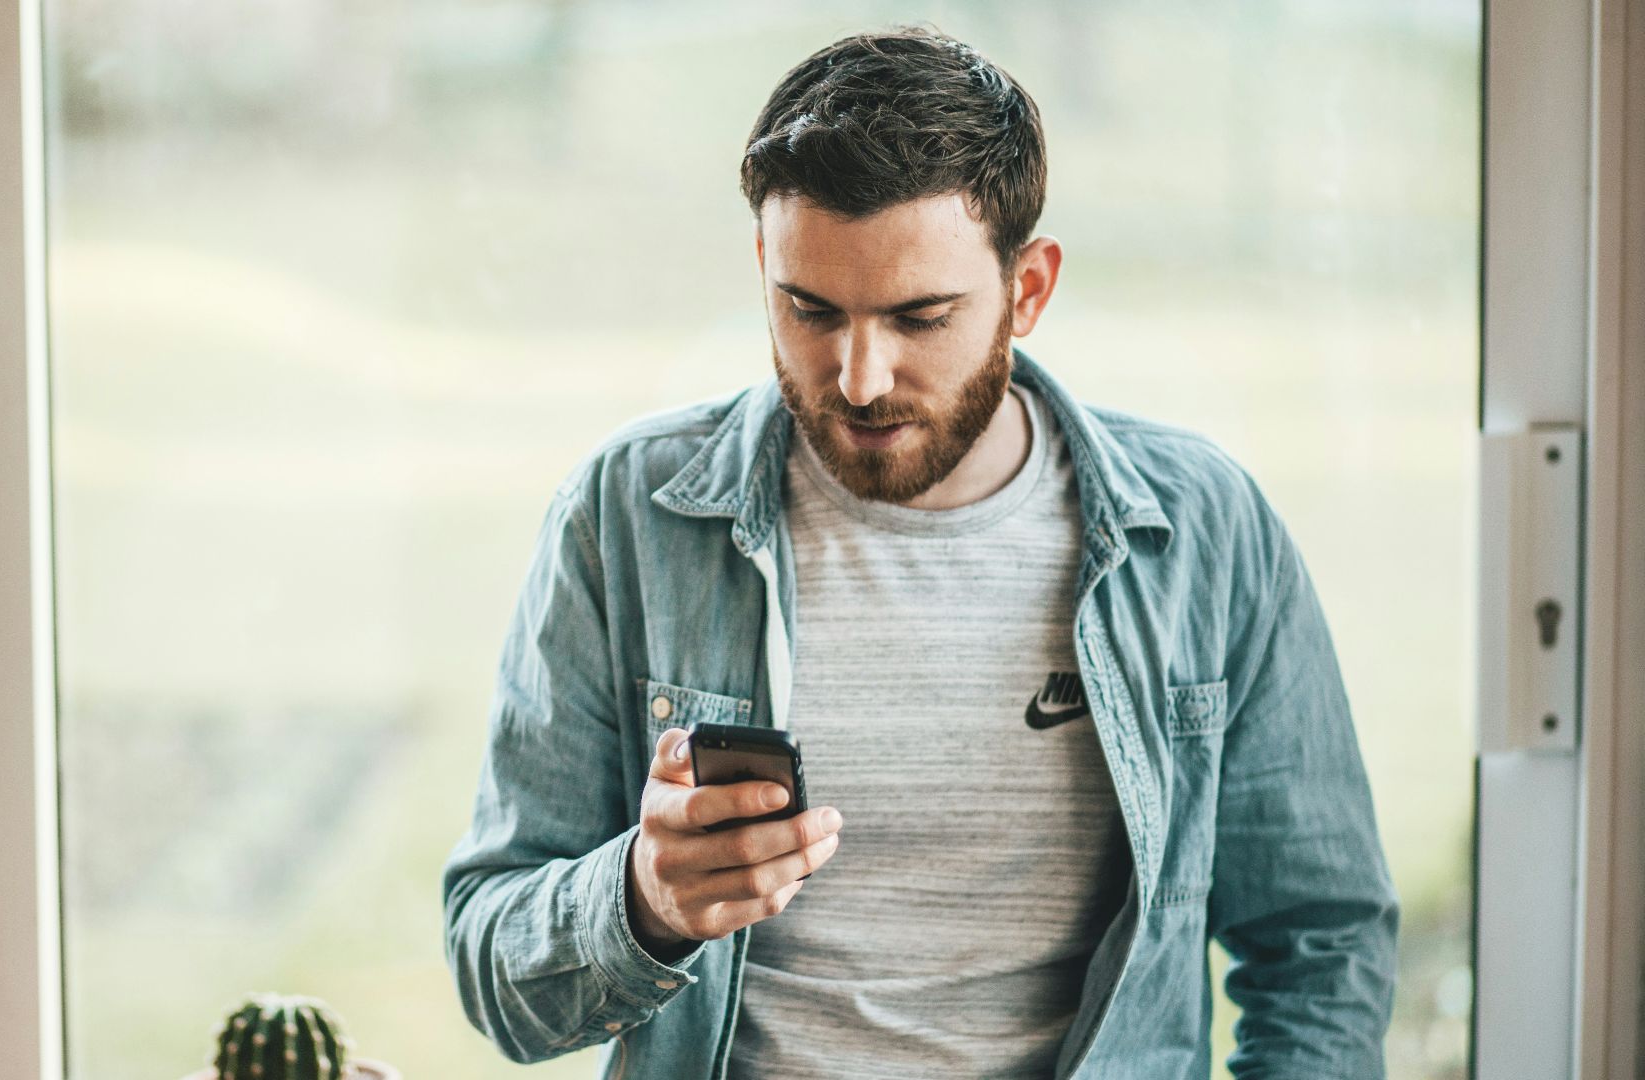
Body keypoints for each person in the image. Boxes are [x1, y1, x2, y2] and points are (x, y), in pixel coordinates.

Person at [441, 26, 1397, 1080]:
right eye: (809, 310)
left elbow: (1321, 946)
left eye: (920, 317)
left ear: (1027, 290)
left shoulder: (1206, 532)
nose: (857, 377)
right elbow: (498, 976)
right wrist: (646, 902)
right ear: (763, 264)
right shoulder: (628, 516)